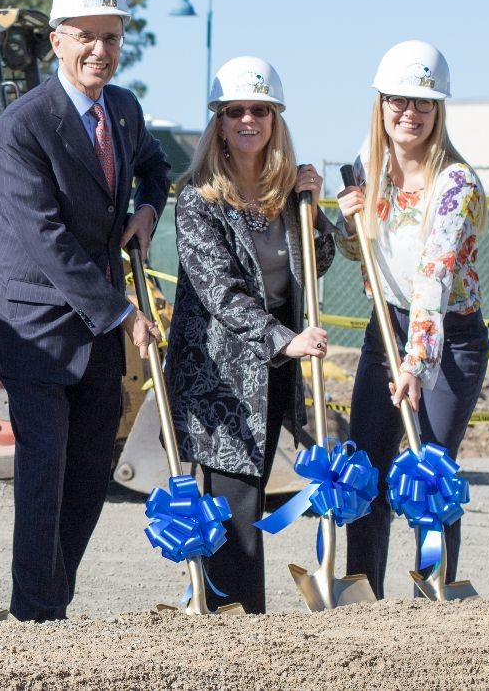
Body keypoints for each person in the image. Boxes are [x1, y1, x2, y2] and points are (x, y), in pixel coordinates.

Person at [0, 0, 170, 622]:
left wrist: (147, 209)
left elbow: (155, 166)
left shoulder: (123, 109)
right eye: (87, 37)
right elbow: (43, 236)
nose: (101, 50)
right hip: (37, 325)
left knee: (93, 468)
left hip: (96, 330)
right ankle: (36, 612)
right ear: (58, 42)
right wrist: (121, 311)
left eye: (112, 37)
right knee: (45, 471)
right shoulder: (23, 126)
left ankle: (48, 598)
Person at [165, 57, 333, 613]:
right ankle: (235, 627)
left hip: (277, 369)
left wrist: (314, 212)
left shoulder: (289, 195)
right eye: (234, 110)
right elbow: (221, 294)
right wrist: (284, 339)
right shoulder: (197, 200)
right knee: (234, 506)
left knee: (257, 493)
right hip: (222, 377)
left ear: (275, 120)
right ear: (218, 122)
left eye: (259, 110)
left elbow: (322, 260)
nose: (247, 120)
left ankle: (232, 618)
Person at [337, 41, 488, 597]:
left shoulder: (457, 187)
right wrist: (348, 224)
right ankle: (362, 594)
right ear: (380, 104)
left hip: (450, 341)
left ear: (438, 110)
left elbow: (434, 280)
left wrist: (416, 364)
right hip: (388, 325)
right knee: (366, 469)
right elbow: (359, 255)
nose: (410, 113)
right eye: (398, 100)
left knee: (430, 473)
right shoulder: (366, 165)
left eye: (424, 103)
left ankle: (434, 593)